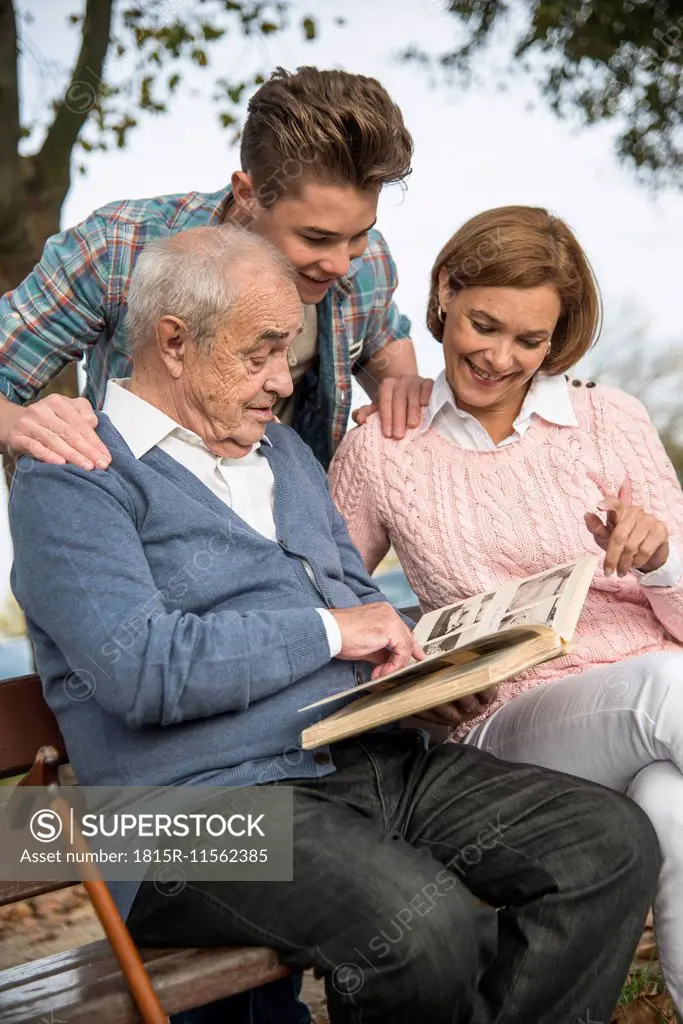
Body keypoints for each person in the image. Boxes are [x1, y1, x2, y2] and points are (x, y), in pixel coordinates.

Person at [9, 225, 660, 1024]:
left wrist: (417, 683)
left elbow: (365, 610)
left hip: (366, 764)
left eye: (289, 353)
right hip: (190, 819)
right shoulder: (74, 477)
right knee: (421, 925)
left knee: (605, 844)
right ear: (173, 342)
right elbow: (141, 668)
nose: (284, 382)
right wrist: (329, 632)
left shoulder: (283, 454)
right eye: (262, 353)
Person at [329, 204, 683, 1011]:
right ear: (446, 292)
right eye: (482, 325)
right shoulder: (383, 446)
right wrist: (419, 680)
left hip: (654, 707)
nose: (497, 358)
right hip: (507, 722)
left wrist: (662, 559)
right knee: (668, 687)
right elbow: (330, 609)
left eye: (528, 342)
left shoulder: (610, 418)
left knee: (672, 804)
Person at [0, 66, 432, 475]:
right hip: (136, 529)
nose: (340, 264)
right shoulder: (117, 248)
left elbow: (384, 340)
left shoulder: (368, 261)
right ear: (247, 194)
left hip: (286, 534)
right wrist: (19, 425)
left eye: (358, 234)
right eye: (316, 238)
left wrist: (402, 385)